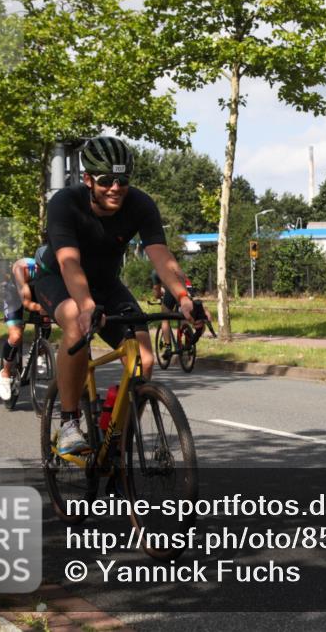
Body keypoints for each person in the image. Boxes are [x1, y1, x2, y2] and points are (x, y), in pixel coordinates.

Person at [33, 136, 208, 455]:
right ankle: (69, 423)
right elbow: (69, 262)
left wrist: (185, 298)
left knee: (144, 360)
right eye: (106, 181)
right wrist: (87, 306)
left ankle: (116, 441)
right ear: (88, 180)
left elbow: (161, 256)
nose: (115, 188)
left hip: (107, 284)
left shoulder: (140, 204)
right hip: (58, 279)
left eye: (122, 181)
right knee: (75, 320)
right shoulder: (65, 203)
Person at [0, 245, 49, 401]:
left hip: (37, 291)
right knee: (16, 336)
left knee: (46, 318)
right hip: (14, 295)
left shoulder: (56, 270)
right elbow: (26, 303)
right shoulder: (22, 268)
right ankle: (5, 374)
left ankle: (41, 352)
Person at [151, 267, 194, 356]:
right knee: (183, 315)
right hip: (188, 287)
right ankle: (189, 343)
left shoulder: (156, 272)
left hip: (174, 289)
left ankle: (168, 347)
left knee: (165, 317)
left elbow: (157, 293)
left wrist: (160, 295)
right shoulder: (174, 265)